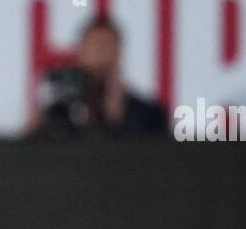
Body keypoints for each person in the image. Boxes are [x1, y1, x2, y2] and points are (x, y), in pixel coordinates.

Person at [30, 15, 168, 139]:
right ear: (81, 51)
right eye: (96, 46)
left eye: (108, 46)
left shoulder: (147, 113)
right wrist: (38, 117)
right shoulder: (59, 109)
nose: (102, 54)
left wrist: (117, 116)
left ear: (119, 53)